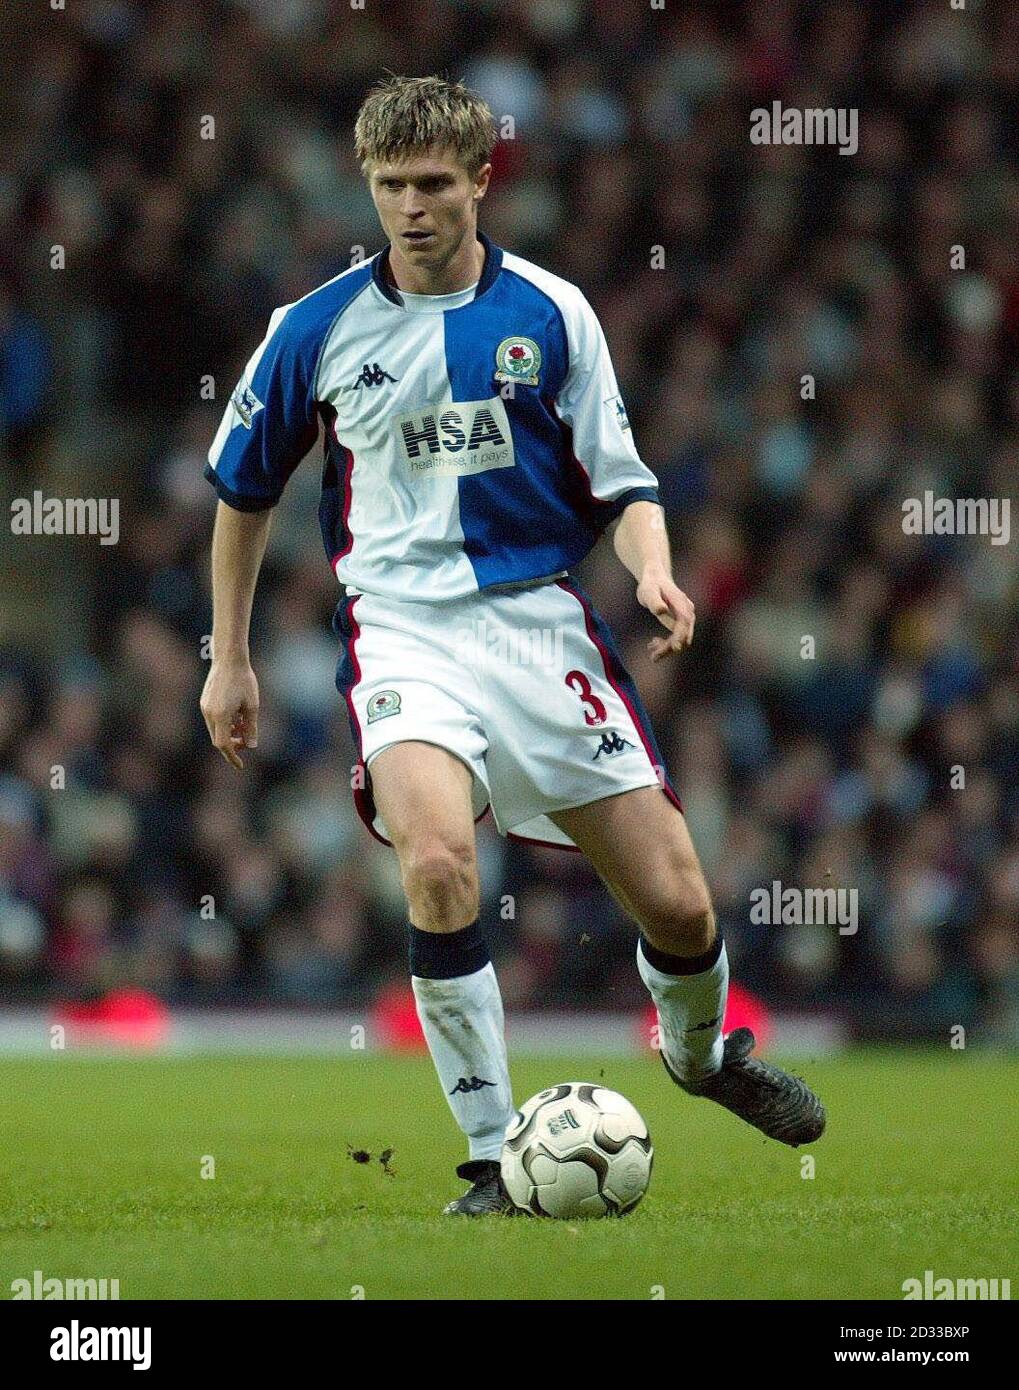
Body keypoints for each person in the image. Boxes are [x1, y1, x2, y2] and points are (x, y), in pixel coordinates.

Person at [201, 74, 825, 1216]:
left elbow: (623, 477)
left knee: (679, 906)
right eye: (390, 187)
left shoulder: (550, 313)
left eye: (433, 183)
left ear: (482, 180)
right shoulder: (313, 328)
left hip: (538, 624)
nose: (411, 207)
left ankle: (698, 1057)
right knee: (435, 862)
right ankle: (492, 1153)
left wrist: (650, 564)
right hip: (400, 632)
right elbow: (241, 492)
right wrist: (227, 657)